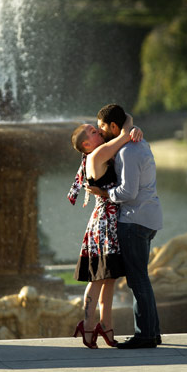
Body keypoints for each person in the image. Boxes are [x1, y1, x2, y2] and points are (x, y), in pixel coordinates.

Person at [92, 103, 163, 349]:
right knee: (142, 278)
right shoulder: (139, 143)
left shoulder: (127, 152)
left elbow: (128, 192)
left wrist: (103, 192)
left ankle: (145, 335)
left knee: (137, 279)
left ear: (114, 127)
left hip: (134, 219)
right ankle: (153, 332)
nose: (100, 134)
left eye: (102, 129)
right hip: (149, 217)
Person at [68, 113, 142, 348]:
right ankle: (88, 325)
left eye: (96, 129)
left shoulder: (100, 151)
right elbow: (122, 134)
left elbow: (122, 136)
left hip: (111, 220)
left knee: (108, 278)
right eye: (92, 131)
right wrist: (131, 125)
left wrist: (133, 129)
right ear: (86, 145)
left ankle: (106, 326)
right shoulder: (97, 154)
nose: (98, 131)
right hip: (103, 224)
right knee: (99, 278)